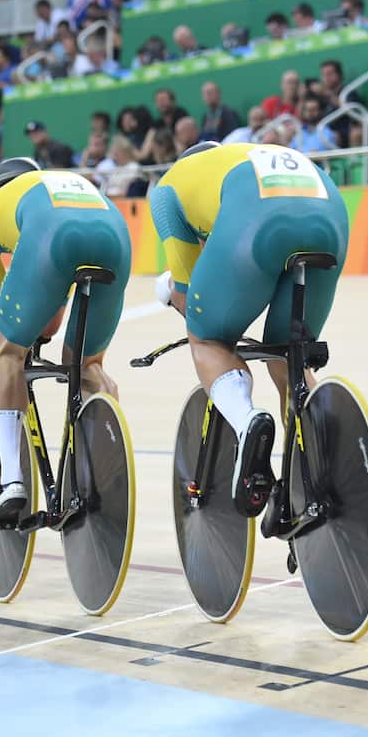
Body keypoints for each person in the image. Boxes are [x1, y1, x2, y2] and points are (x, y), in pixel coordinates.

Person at [149, 141, 349, 516]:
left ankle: (247, 421)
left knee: (207, 336)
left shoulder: (170, 188)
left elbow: (185, 289)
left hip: (257, 216)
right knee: (288, 353)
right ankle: (317, 473)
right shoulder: (238, 158)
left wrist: (183, 300)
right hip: (330, 215)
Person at [0, 158, 132, 525]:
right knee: (88, 366)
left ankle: (11, 481)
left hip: (51, 235)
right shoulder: (58, 182)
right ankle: (105, 469)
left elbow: (2, 322)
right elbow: (53, 325)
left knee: (7, 352)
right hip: (116, 233)